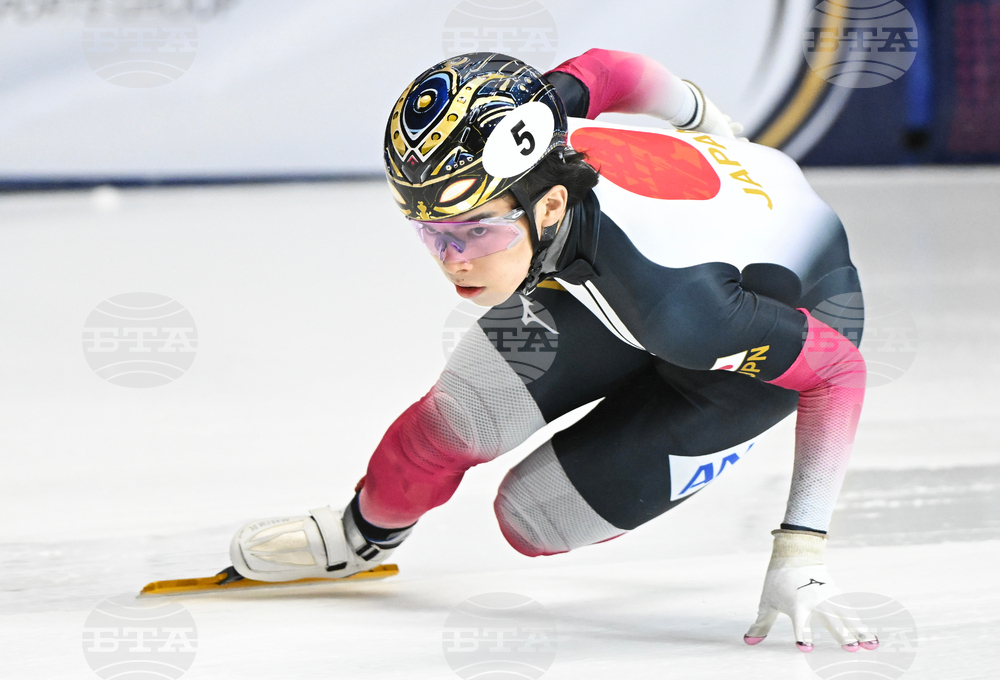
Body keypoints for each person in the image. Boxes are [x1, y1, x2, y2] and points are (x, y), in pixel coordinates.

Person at [229, 50, 877, 653]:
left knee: (534, 519)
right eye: (434, 235)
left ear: (551, 203)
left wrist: (801, 549)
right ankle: (358, 540)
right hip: (661, 265)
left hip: (757, 325)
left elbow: (839, 374)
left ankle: (707, 431)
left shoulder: (681, 309)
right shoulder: (537, 125)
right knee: (454, 423)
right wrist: (698, 115)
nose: (455, 263)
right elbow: (609, 68)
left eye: (476, 231)